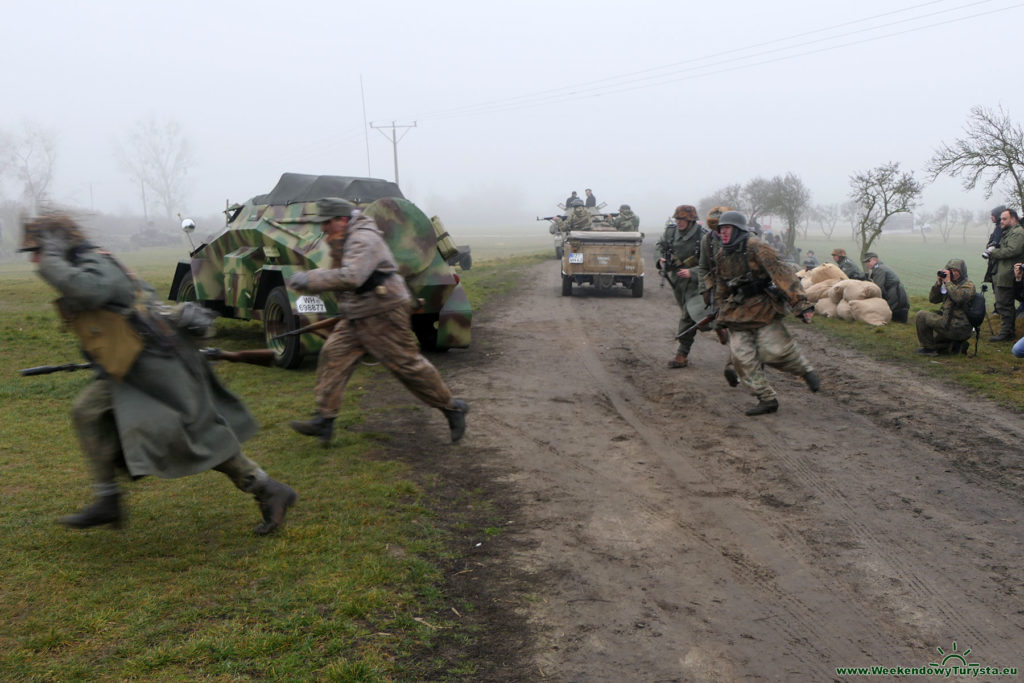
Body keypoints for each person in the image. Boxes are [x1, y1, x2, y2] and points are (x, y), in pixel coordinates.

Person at [19, 213, 297, 533]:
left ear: (58, 243)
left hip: (154, 362)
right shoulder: (82, 263)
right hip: (126, 367)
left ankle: (268, 489)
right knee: (86, 411)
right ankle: (108, 499)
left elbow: (91, 291)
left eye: (39, 250)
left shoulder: (93, 262)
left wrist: (51, 260)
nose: (36, 260)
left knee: (193, 435)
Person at [287, 198, 469, 445]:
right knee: (333, 356)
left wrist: (311, 279)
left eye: (327, 223)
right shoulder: (343, 237)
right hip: (359, 312)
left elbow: (351, 277)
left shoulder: (363, 238)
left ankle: (452, 408)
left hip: (384, 312)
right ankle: (324, 420)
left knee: (407, 366)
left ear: (342, 219)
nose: (324, 228)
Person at [707, 211, 819, 415]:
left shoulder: (757, 247)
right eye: (720, 230)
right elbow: (721, 286)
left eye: (727, 229)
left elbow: (783, 274)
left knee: (775, 352)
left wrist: (801, 304)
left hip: (764, 307)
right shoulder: (722, 255)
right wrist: (719, 313)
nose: (722, 233)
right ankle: (766, 398)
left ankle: (805, 370)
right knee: (741, 359)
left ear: (738, 230)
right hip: (737, 312)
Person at [657, 205, 712, 368]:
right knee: (693, 315)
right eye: (677, 219)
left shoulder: (703, 237)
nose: (679, 222)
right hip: (678, 282)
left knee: (687, 316)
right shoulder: (671, 232)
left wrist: (692, 272)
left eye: (683, 219)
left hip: (697, 283)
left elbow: (711, 263)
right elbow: (660, 245)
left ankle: (681, 354)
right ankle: (713, 325)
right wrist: (660, 259)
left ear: (691, 221)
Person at [697, 205, 739, 387]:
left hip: (741, 290)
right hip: (718, 290)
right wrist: (705, 290)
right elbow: (703, 268)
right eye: (714, 228)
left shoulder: (745, 238)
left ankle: (736, 365)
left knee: (740, 329)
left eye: (721, 227)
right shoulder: (707, 240)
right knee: (721, 325)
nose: (718, 232)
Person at [915, 259, 975, 356]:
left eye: (957, 271)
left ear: (962, 272)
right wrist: (938, 283)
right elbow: (933, 299)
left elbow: (958, 298)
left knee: (921, 316)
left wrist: (947, 282)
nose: (954, 273)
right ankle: (955, 346)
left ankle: (929, 349)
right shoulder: (950, 284)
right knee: (937, 342)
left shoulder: (968, 285)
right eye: (951, 270)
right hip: (949, 323)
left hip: (959, 327)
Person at [984, 207, 1024, 341]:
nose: (1001, 221)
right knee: (1002, 304)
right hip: (1002, 273)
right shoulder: (1006, 232)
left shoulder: (1018, 232)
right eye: (1001, 218)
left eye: (1004, 218)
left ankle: (1006, 333)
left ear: (1013, 219)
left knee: (1005, 305)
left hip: (1008, 274)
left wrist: (993, 252)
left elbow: (1012, 250)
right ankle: (1007, 331)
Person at [862, 252, 909, 323]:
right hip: (896, 291)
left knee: (890, 310)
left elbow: (878, 288)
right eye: (866, 262)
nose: (867, 264)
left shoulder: (879, 269)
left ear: (875, 260)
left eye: (868, 261)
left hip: (894, 292)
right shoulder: (881, 266)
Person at [983, 204, 1007, 286]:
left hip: (998, 263)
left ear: (997, 216)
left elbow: (995, 243)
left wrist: (990, 248)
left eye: (992, 215)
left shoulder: (999, 228)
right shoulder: (999, 227)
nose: (991, 217)